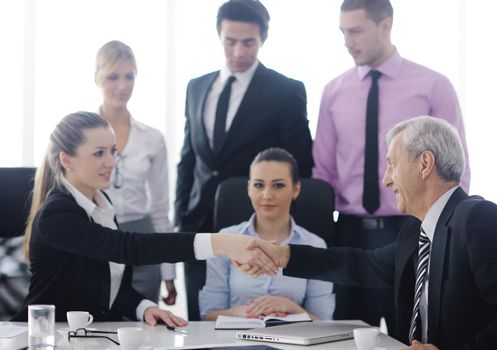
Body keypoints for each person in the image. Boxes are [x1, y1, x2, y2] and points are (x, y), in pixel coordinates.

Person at [246, 116, 497, 349]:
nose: (386, 179)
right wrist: (283, 256)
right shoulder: (416, 231)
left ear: (425, 164)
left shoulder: (478, 218)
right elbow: (361, 265)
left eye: (392, 163)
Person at [13, 112, 278, 325]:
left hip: (90, 337)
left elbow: (109, 286)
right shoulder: (58, 214)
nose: (111, 162)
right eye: (98, 153)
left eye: (112, 151)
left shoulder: (103, 208)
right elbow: (130, 248)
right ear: (67, 161)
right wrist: (219, 243)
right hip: (44, 338)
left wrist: (144, 307)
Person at [312, 0, 471, 328]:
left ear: (386, 25)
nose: (347, 41)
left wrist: (444, 235)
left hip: (411, 230)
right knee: (345, 334)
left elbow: (457, 170)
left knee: (410, 331)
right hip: (349, 232)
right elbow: (323, 172)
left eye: (355, 31)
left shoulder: (432, 86)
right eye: (343, 32)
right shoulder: (333, 92)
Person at [175, 0, 313, 320]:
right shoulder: (196, 87)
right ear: (219, 37)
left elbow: (300, 164)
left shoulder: (286, 90)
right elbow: (188, 159)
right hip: (197, 226)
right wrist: (181, 217)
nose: (238, 51)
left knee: (251, 320)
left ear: (263, 39)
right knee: (202, 320)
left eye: (248, 42)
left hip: (252, 228)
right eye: (230, 41)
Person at [199, 148, 334, 321]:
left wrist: (290, 307)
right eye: (258, 185)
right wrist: (242, 313)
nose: (267, 195)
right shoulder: (225, 239)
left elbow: (324, 321)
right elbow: (207, 315)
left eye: (278, 185)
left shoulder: (315, 245)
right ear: (249, 188)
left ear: (296, 189)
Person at [95, 40, 176, 305]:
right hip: (98, 236)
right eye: (113, 77)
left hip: (142, 240)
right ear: (97, 78)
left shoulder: (152, 139)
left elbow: (160, 208)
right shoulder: (81, 135)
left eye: (129, 76)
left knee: (145, 329)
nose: (122, 86)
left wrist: (169, 274)